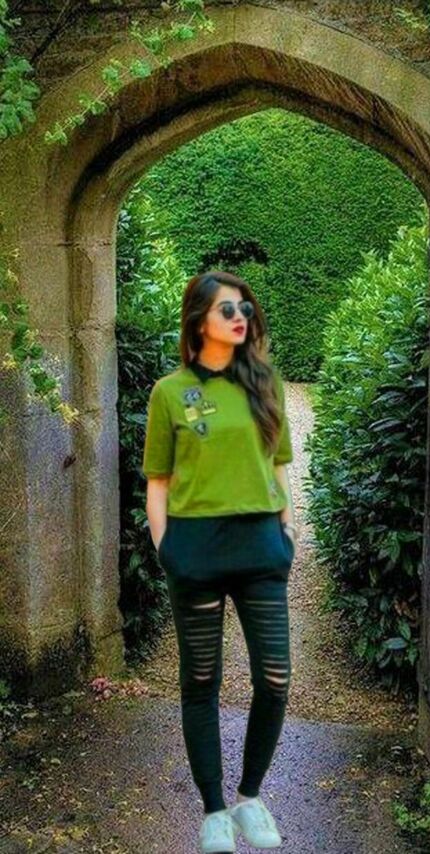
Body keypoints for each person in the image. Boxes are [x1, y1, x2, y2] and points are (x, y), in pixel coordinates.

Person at [142, 270, 298, 852]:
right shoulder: (169, 392)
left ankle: (249, 797)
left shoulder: (266, 384)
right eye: (227, 309)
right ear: (199, 320)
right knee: (201, 681)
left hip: (260, 548)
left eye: (245, 310)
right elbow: (158, 481)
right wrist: (167, 549)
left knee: (276, 679)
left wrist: (288, 530)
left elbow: (279, 465)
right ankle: (213, 811)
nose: (240, 318)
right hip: (197, 550)